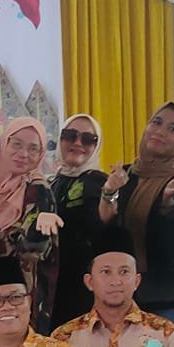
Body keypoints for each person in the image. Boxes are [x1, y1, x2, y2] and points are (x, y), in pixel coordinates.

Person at [99, 103, 174, 328]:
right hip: (123, 292)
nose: (161, 131)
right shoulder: (124, 176)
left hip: (165, 296)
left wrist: (166, 204)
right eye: (156, 122)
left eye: (173, 129)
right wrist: (108, 192)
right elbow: (107, 235)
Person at [0, 117, 62, 329]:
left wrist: (37, 231)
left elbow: (38, 250)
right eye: (17, 144)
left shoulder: (39, 192)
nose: (24, 154)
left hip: (19, 302)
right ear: (4, 144)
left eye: (33, 148)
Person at [48, 114, 112, 326]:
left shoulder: (100, 182)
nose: (77, 143)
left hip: (85, 286)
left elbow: (102, 227)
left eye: (87, 139)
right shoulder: (53, 183)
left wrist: (110, 194)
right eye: (70, 135)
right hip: (53, 286)